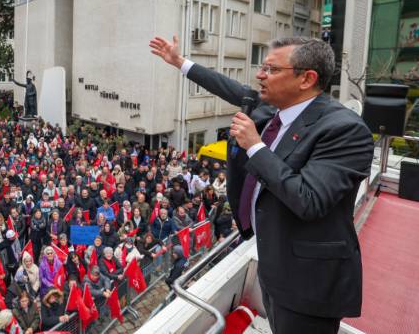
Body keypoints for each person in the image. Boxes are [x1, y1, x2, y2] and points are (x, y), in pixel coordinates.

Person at [150, 34, 373, 333]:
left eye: (271, 69)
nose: (260, 75)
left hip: (307, 281)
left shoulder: (345, 130)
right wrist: (179, 62)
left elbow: (309, 200)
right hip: (272, 261)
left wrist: (255, 147)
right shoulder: (274, 109)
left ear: (306, 79)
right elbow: (228, 86)